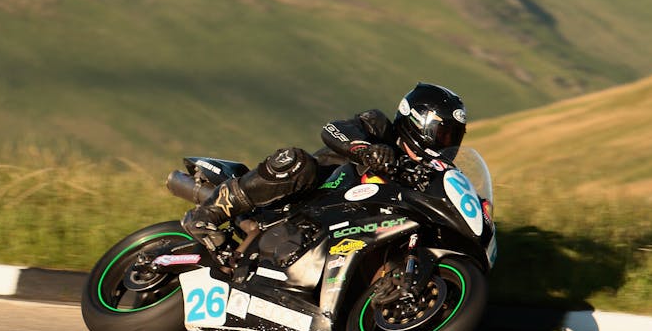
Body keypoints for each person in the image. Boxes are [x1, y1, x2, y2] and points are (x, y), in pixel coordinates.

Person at [182, 82, 467, 246]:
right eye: (443, 133)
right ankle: (207, 214)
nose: (447, 143)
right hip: (310, 197)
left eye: (454, 137)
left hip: (351, 228)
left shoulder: (426, 173)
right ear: (418, 122)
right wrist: (366, 150)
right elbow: (333, 130)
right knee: (297, 161)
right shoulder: (379, 127)